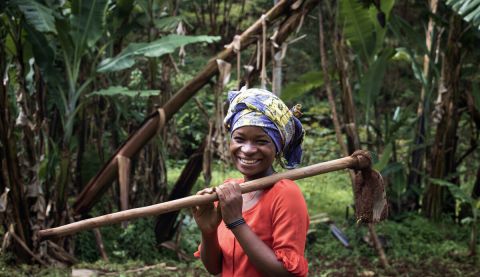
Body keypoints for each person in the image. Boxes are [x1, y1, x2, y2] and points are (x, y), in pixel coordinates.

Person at [193, 88, 309, 277]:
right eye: (239, 139)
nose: (247, 149)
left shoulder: (286, 194)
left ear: (277, 147)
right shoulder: (230, 190)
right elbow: (215, 268)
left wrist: (236, 222)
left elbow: (287, 274)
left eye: (261, 141)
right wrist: (208, 231)